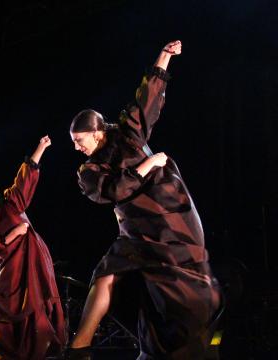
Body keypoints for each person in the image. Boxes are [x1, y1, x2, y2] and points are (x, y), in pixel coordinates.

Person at [66, 41, 222, 359]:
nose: (77, 147)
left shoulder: (128, 134)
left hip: (169, 217)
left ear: (96, 132)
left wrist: (164, 57)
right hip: (137, 229)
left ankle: (179, 343)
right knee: (106, 273)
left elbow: (148, 101)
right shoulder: (89, 169)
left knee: (164, 282)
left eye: (79, 140)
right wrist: (147, 165)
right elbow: (110, 192)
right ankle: (79, 348)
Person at [0, 136, 66, 360]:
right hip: (10, 266)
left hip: (32, 259)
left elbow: (25, 180)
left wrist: (41, 147)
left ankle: (39, 348)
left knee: (33, 304)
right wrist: (13, 234)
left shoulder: (10, 203)